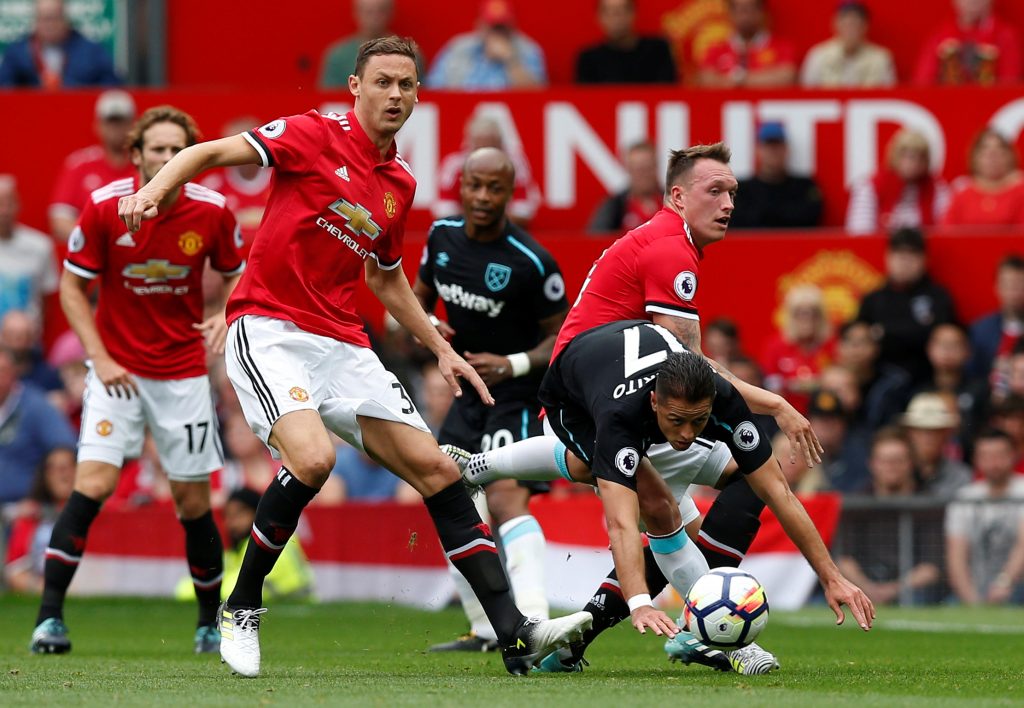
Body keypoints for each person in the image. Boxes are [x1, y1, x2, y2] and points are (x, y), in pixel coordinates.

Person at [115, 37, 591, 678]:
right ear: (356, 88)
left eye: (407, 85)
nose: (395, 94)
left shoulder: (399, 182)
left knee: (441, 473)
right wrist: (153, 192)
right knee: (313, 458)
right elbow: (209, 152)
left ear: (419, 95)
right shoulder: (311, 135)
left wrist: (439, 349)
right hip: (271, 327)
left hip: (343, 342)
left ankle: (515, 635)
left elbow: (386, 278)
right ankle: (243, 605)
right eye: (384, 82)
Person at [446, 143, 824, 675]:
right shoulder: (671, 252)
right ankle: (723, 641)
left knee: (643, 492)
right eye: (714, 191)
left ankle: (482, 469)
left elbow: (684, 373)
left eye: (733, 193)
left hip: (607, 392)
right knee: (667, 511)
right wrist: (776, 404)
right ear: (677, 195)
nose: (728, 204)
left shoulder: (669, 242)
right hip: (588, 396)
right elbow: (691, 376)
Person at [462, 321, 874, 670]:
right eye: (676, 421)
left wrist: (832, 577)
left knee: (752, 479)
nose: (686, 436)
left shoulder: (720, 400)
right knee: (655, 505)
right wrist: (640, 601)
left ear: (713, 401)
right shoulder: (619, 419)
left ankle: (701, 619)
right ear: (656, 401)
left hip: (639, 370)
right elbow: (622, 524)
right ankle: (728, 641)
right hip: (573, 398)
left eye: (698, 421)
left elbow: (781, 494)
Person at [29, 105, 246, 657]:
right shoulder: (103, 208)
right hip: (117, 372)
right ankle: (48, 619)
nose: (168, 159)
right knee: (93, 486)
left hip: (183, 375)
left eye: (178, 150)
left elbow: (240, 270)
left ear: (191, 158)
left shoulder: (212, 211)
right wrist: (98, 358)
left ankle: (206, 624)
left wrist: (226, 311)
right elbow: (73, 288)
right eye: (157, 149)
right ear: (136, 155)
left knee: (192, 501)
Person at [414, 147, 569, 652]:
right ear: (460, 185)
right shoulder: (440, 238)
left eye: (494, 187)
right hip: (466, 394)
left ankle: (538, 626)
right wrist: (432, 329)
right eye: (474, 185)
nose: (482, 197)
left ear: (510, 191)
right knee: (447, 495)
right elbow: (417, 298)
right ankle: (484, 628)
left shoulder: (531, 262)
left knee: (503, 499)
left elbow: (562, 338)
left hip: (518, 395)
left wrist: (514, 364)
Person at [836, 428, 943, 605]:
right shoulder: (856, 504)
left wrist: (894, 589)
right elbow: (844, 559)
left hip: (913, 591)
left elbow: (932, 567)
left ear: (910, 463)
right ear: (872, 464)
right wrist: (868, 589)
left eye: (897, 461)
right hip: (862, 588)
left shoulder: (927, 504)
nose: (891, 467)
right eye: (885, 461)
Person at [175, 487, 314, 602]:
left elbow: (235, 590)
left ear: (258, 514)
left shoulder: (277, 545)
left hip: (299, 621)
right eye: (227, 516)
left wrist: (204, 588)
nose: (230, 523)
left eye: (238, 515)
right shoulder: (239, 549)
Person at [857, 228, 957, 386]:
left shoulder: (937, 297)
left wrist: (884, 332)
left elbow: (939, 337)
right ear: (888, 257)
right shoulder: (873, 299)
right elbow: (860, 337)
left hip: (926, 378)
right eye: (899, 255)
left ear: (924, 259)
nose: (905, 262)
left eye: (911, 255)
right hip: (879, 376)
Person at [945, 428, 1024, 604]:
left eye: (999, 455)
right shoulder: (964, 497)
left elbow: (1023, 546)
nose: (993, 463)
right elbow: (956, 556)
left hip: (1017, 588)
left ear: (1014, 455)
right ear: (976, 459)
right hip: (974, 589)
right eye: (986, 456)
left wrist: (1004, 583)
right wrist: (972, 600)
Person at [49, 90, 137, 243]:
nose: (116, 129)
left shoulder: (147, 163)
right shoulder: (79, 164)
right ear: (98, 126)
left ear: (134, 125)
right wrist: (99, 242)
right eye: (110, 122)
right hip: (94, 254)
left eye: (122, 122)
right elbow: (60, 221)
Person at [433, 113, 541, 227]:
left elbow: (524, 210)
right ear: (470, 144)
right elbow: (443, 210)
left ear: (499, 143)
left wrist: (486, 221)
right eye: (480, 147)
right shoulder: (454, 166)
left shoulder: (515, 165)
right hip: (463, 234)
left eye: (490, 146)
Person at [0, 346, 76, 507]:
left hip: (22, 509)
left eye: (2, 371)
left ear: (14, 373)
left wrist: (41, 501)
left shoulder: (36, 406)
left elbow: (64, 448)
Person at [845, 129, 951, 235]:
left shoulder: (938, 188)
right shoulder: (871, 186)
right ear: (894, 156)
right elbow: (859, 232)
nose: (913, 163)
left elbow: (945, 230)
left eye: (920, 157)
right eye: (906, 156)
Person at [425, 0, 547, 89]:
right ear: (479, 25)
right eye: (492, 27)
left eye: (501, 27)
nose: (497, 33)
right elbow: (434, 88)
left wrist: (511, 60)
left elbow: (538, 96)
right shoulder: (458, 49)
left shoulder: (528, 51)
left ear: (512, 26)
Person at [3, 447, 77, 593]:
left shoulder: (102, 514)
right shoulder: (31, 517)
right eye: (53, 468)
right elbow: (16, 572)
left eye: (68, 466)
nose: (62, 473)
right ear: (45, 476)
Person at [0, 0, 120, 88]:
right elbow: (5, 88)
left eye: (55, 18)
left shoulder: (91, 52)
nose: (49, 25)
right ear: (35, 20)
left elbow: (112, 86)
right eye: (44, 19)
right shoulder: (16, 53)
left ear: (66, 19)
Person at [198, 117, 274, 257]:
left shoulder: (280, 181)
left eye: (248, 145)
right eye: (233, 146)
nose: (240, 152)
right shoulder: (212, 187)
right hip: (229, 264)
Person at [729, 123, 823, 230]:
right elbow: (737, 223)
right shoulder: (740, 190)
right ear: (758, 150)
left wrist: (763, 214)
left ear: (786, 149)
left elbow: (810, 218)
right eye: (768, 146)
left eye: (778, 146)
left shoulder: (804, 186)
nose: (773, 152)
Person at [760, 284, 835, 414]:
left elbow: (839, 382)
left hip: (826, 416)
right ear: (790, 316)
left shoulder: (831, 345)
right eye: (800, 313)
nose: (807, 318)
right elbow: (770, 386)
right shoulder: (775, 346)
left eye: (813, 313)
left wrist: (816, 384)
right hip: (785, 415)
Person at [914, 0, 1022, 85]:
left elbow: (1009, 85)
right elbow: (922, 84)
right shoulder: (940, 37)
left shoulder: (1005, 36)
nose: (972, 1)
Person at [697, 0, 797, 88]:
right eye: (740, 9)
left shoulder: (781, 47)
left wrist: (740, 81)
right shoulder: (716, 49)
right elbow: (706, 80)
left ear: (761, 12)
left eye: (750, 9)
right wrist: (760, 80)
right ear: (730, 12)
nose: (745, 15)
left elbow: (786, 78)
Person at [575, 0, 677, 84]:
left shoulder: (658, 50)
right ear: (599, 17)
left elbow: (667, 92)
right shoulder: (589, 59)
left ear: (633, 13)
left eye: (621, 11)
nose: (616, 18)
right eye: (609, 12)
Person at [0, 175, 58, 323]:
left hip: (29, 341)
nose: (4, 211)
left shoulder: (40, 245)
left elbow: (47, 298)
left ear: (18, 204)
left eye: (9, 203)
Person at [799, 0, 895, 88]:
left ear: (866, 26)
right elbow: (808, 97)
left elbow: (889, 97)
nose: (850, 24)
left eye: (856, 20)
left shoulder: (880, 58)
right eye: (845, 20)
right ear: (835, 23)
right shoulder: (818, 55)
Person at [942, 128, 1024, 228]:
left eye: (999, 152)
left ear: (1009, 156)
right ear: (975, 158)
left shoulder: (1021, 190)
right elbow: (947, 233)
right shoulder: (961, 192)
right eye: (985, 152)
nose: (992, 157)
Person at [900, 392, 971, 497]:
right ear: (910, 433)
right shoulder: (897, 472)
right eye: (921, 430)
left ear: (946, 434)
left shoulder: (960, 476)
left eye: (935, 431)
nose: (928, 437)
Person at [968, 254, 1024, 387]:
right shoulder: (980, 330)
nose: (1013, 290)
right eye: (1007, 284)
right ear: (997, 286)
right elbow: (972, 375)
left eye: (1019, 283)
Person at [588, 141, 663, 234]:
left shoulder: (674, 203)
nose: (644, 174)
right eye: (638, 169)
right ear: (628, 169)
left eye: (648, 168)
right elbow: (596, 238)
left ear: (656, 167)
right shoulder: (614, 206)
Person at [319, 0, 398, 87]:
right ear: (356, 13)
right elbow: (330, 96)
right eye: (369, 12)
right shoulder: (338, 56)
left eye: (381, 11)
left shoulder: (407, 54)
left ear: (391, 12)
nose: (375, 18)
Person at [1, 309, 62, 392]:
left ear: (32, 339)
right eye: (10, 335)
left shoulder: (47, 376)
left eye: (23, 337)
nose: (16, 344)